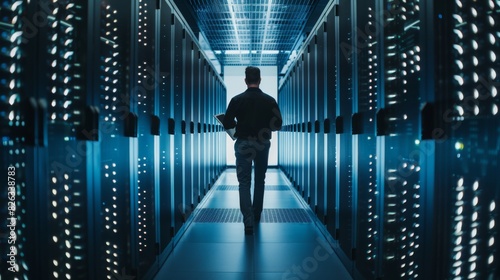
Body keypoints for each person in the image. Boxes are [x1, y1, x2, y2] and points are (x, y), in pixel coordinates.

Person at [223, 66, 283, 235]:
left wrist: (238, 128)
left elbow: (227, 123)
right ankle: (257, 215)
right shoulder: (270, 100)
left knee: (244, 182)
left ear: (245, 80)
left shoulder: (237, 100)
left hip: (243, 143)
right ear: (260, 80)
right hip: (263, 144)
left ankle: (247, 221)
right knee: (260, 180)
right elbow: (278, 124)